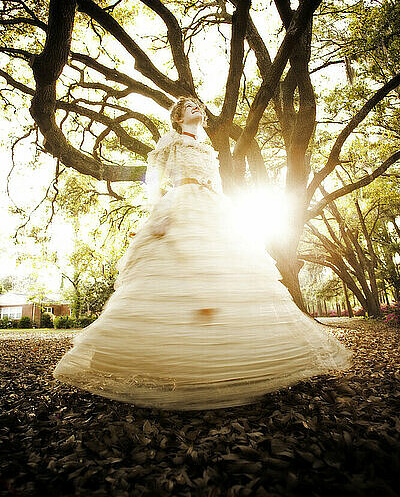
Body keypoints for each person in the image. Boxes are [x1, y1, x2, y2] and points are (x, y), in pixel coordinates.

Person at [53, 97, 352, 410]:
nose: (197, 108)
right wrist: (158, 212)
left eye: (199, 105)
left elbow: (219, 186)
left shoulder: (210, 148)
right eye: (189, 107)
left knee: (223, 279)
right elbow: (153, 179)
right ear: (178, 119)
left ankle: (224, 359)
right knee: (177, 278)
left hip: (213, 209)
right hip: (181, 202)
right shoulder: (172, 140)